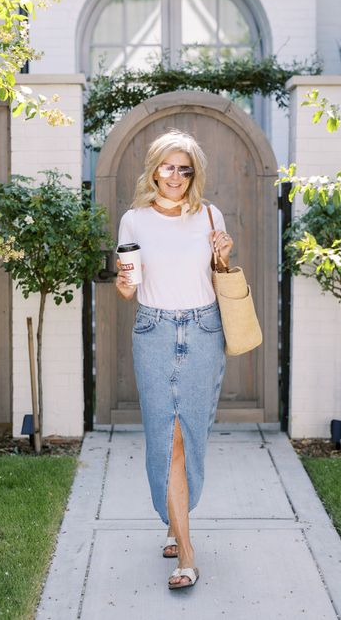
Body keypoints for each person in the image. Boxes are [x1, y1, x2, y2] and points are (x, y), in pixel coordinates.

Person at [116, 129, 233, 590]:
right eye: (169, 167)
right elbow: (128, 285)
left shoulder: (209, 214)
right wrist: (126, 285)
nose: (177, 176)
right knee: (170, 439)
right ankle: (186, 553)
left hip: (204, 329)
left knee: (194, 433)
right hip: (154, 330)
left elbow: (217, 276)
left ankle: (173, 522)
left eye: (185, 169)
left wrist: (222, 257)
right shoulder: (134, 220)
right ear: (154, 168)